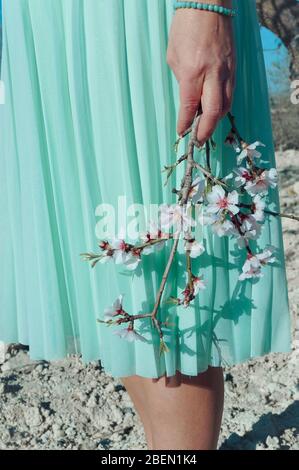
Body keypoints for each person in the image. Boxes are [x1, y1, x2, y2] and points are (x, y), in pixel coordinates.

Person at [0, 0, 291, 450]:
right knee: (102, 236)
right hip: (46, 19)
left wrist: (204, 5)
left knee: (166, 283)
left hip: (137, 13)